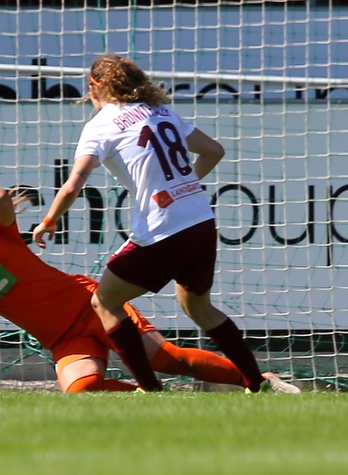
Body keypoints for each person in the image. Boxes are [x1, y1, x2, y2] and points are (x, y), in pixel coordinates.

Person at [0, 162, 296, 393]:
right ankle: (152, 402)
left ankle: (262, 381)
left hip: (92, 305)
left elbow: (2, 196)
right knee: (81, 390)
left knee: (170, 359)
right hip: (63, 339)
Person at [32, 54, 299, 394]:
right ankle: (254, 381)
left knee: (104, 303)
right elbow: (214, 151)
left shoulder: (102, 124)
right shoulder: (161, 112)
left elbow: (73, 183)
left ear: (94, 87)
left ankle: (149, 389)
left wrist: (48, 220)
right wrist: (183, 186)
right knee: (199, 308)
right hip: (201, 220)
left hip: (163, 231)